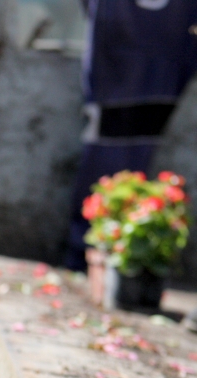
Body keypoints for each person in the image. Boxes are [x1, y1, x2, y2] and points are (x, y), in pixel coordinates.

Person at [64, 0, 197, 270]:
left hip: (154, 91)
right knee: (105, 163)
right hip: (116, 87)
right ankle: (85, 254)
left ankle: (98, 255)